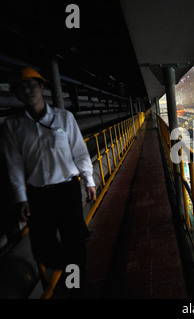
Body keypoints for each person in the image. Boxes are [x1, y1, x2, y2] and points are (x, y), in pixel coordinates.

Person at [3, 66, 96, 296]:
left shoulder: (64, 118)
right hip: (38, 195)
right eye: (21, 87)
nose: (27, 90)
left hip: (67, 190)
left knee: (74, 243)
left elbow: (80, 152)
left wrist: (89, 181)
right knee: (42, 249)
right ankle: (73, 265)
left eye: (31, 85)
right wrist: (21, 197)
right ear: (15, 94)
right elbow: (13, 164)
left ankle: (76, 289)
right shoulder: (13, 127)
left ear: (42, 87)